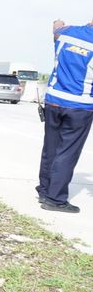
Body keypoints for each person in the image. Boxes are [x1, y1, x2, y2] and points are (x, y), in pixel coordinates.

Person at [36, 18, 93, 213]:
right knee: (67, 152)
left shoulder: (65, 32)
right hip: (79, 106)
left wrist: (58, 25)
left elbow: (56, 30)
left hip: (53, 100)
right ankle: (55, 199)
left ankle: (44, 190)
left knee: (50, 148)